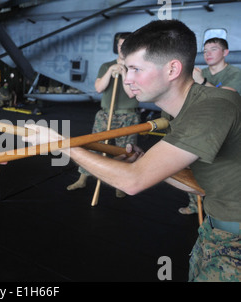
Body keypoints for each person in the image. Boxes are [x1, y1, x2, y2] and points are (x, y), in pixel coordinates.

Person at [24, 20, 241, 282]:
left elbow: (133, 182)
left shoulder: (212, 107)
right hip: (215, 230)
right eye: (127, 69)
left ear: (172, 69)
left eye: (136, 69)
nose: (128, 79)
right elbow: (201, 186)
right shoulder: (177, 113)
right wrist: (147, 162)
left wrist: (62, 144)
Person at [67, 32, 140, 198]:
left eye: (126, 44)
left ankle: (120, 184)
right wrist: (111, 71)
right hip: (106, 114)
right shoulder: (106, 65)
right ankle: (83, 178)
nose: (123, 48)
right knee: (94, 146)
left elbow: (131, 94)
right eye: (120, 45)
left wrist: (123, 74)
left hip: (127, 116)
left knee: (125, 151)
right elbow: (99, 88)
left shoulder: (136, 68)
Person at [179, 38, 241, 215]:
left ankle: (219, 208)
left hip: (228, 130)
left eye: (213, 49)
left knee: (220, 168)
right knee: (194, 166)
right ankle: (194, 205)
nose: (208, 54)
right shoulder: (200, 72)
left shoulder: (234, 73)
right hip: (201, 126)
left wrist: (203, 81)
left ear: (225, 52)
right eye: (205, 51)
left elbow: (227, 97)